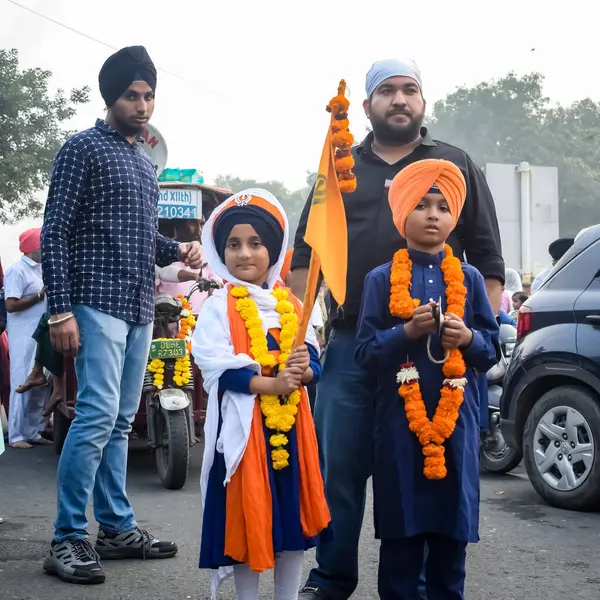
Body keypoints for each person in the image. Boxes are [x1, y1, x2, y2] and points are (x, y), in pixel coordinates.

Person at [289, 58, 505, 600]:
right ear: (367, 106)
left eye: (410, 90)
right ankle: (332, 576)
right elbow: (304, 258)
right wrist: (296, 335)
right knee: (339, 467)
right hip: (352, 345)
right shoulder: (339, 167)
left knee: (429, 471)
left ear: (423, 102)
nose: (400, 100)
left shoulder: (453, 165)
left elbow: (488, 261)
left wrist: (469, 347)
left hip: (437, 356)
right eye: (387, 91)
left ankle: (430, 586)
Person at [40, 45, 203, 585]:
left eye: (149, 94)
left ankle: (115, 529)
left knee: (117, 423)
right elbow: (55, 232)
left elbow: (139, 235)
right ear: (110, 96)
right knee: (94, 417)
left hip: (136, 307)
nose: (143, 104)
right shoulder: (82, 148)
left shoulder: (140, 160)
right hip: (92, 301)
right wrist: (60, 308)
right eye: (132, 95)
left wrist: (178, 252)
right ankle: (67, 537)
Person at [355, 159, 498, 599]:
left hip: (457, 427)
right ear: (401, 214)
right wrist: (407, 332)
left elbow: (490, 351)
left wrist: (468, 336)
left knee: (450, 537)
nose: (432, 214)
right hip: (400, 428)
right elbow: (364, 353)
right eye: (420, 204)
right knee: (402, 533)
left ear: (454, 216)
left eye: (441, 205)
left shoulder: (469, 279)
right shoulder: (381, 280)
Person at [192, 189, 330, 600]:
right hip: (243, 435)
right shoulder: (218, 306)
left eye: (256, 243)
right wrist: (269, 385)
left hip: (290, 435)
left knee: (291, 525)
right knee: (247, 522)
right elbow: (215, 366)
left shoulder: (292, 304)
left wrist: (306, 371)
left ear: (273, 251)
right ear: (221, 253)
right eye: (233, 245)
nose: (245, 254)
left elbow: (316, 362)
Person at [4, 228, 51, 449]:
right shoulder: (17, 271)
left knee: (41, 383)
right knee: (22, 382)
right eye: (42, 245)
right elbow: (11, 305)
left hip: (42, 333)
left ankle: (34, 431)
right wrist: (39, 296)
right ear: (33, 248)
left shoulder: (43, 269)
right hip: (23, 336)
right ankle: (16, 435)